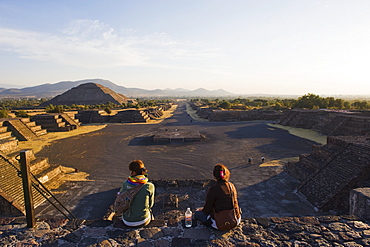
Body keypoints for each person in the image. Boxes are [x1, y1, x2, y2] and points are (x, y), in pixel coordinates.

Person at [195, 164, 241, 230]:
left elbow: (207, 210)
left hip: (219, 223)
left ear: (214, 176)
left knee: (197, 214)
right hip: (235, 220)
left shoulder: (213, 189)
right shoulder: (232, 186)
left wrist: (202, 210)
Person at [119, 160, 155, 227]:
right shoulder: (149, 186)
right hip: (142, 220)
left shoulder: (125, 184)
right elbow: (150, 205)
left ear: (133, 172)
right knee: (149, 211)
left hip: (127, 220)